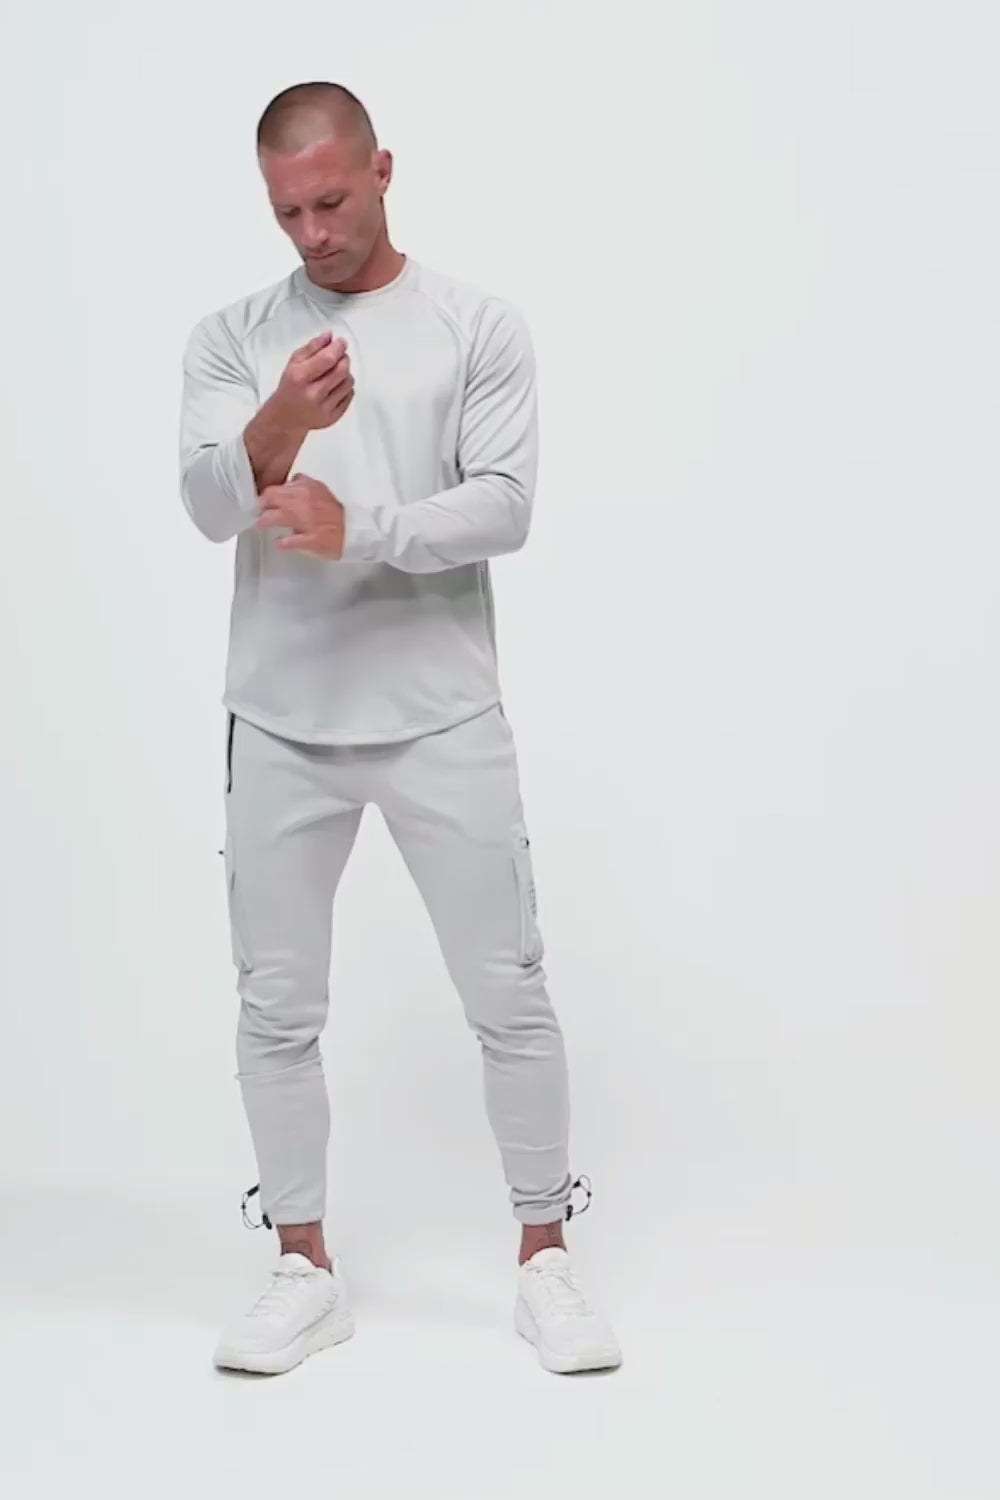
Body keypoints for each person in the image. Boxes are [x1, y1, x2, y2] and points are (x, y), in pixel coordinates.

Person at [178, 80, 621, 1377]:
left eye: (330, 201)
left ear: (381, 169)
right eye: (287, 213)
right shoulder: (233, 337)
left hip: (441, 714)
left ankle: (545, 1257)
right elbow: (207, 503)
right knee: (275, 1007)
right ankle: (301, 1266)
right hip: (281, 717)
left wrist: (360, 526)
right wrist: (282, 422)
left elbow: (504, 505)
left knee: (508, 991)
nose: (312, 233)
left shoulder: (477, 324)